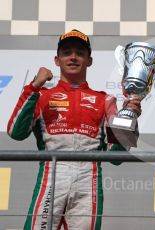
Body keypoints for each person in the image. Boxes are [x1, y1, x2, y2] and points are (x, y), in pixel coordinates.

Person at [7, 29, 141, 230]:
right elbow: (15, 132)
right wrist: (33, 87)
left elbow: (117, 156)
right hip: (52, 174)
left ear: (89, 60)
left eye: (80, 52)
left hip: (89, 178)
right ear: (57, 59)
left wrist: (130, 117)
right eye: (66, 52)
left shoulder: (105, 100)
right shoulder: (42, 96)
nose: (73, 57)